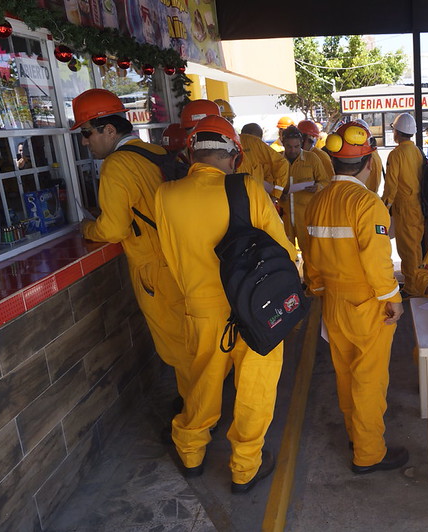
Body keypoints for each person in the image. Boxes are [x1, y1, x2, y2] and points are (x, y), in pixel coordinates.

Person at [154, 115, 296, 492]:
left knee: (201, 385)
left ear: (190, 153)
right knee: (255, 391)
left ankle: (190, 454)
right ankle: (244, 469)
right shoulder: (247, 189)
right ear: (235, 154)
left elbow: (169, 256)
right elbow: (283, 252)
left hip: (200, 311)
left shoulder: (165, 195)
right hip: (255, 310)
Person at [72, 89, 189, 410]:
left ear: (109, 130)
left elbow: (112, 230)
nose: (84, 141)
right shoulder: (154, 152)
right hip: (185, 260)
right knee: (193, 337)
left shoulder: (116, 166)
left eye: (86, 133)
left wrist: (86, 228)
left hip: (155, 271)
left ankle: (198, 416)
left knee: (179, 347)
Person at [304, 121, 408, 474]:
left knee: (345, 375)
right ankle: (368, 453)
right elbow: (378, 263)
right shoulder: (367, 204)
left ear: (333, 162)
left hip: (332, 302)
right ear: (369, 163)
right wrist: (393, 298)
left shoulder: (317, 203)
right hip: (368, 306)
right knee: (369, 381)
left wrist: (319, 291)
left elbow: (311, 258)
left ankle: (355, 435)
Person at [382, 113, 425, 296]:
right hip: (417, 205)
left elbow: (391, 185)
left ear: (397, 132)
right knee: (415, 246)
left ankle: (413, 287)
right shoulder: (416, 151)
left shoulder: (396, 154)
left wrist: (384, 206)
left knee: (407, 249)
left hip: (404, 206)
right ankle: (415, 283)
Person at [279, 125, 329, 281]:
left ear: (301, 143)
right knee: (285, 254)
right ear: (283, 143)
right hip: (285, 216)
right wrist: (280, 194)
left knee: (309, 253)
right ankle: (290, 286)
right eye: (289, 146)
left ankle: (311, 286)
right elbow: (271, 183)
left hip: (305, 216)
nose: (293, 150)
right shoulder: (278, 161)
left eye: (296, 146)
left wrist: (317, 187)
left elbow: (325, 181)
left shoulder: (312, 159)